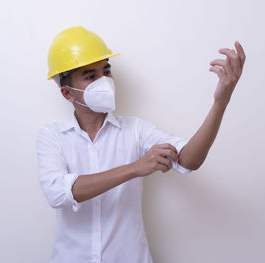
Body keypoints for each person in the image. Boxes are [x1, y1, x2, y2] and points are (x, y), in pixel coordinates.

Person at [36, 26, 246, 263]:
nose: (104, 81)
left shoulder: (136, 130)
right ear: (67, 93)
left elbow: (189, 159)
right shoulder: (52, 136)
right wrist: (136, 167)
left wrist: (220, 102)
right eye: (90, 76)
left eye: (106, 71)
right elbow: (59, 193)